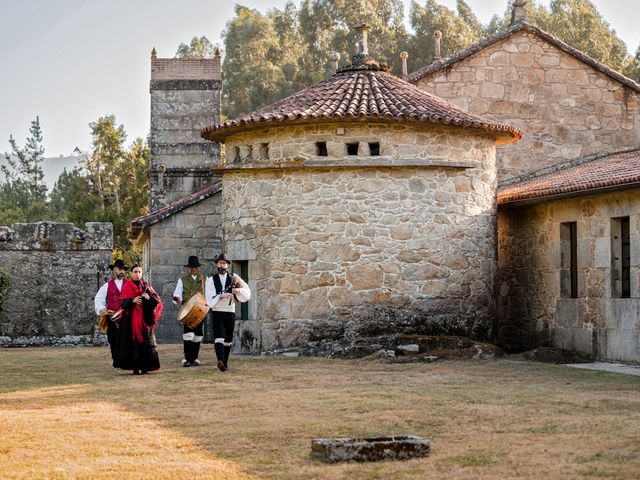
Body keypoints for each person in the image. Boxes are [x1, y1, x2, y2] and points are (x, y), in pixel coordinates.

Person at [113, 264, 163, 375]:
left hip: (144, 320)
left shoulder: (146, 285)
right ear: (131, 273)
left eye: (139, 272)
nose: (137, 274)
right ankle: (135, 367)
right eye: (135, 272)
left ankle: (145, 366)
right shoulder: (126, 286)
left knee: (145, 342)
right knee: (132, 342)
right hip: (130, 321)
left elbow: (156, 301)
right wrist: (132, 300)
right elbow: (123, 304)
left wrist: (148, 298)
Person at [205, 253, 250, 372]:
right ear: (216, 265)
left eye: (224, 263)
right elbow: (209, 299)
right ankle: (220, 360)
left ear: (227, 265)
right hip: (217, 311)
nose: (222, 265)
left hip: (230, 311)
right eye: (220, 263)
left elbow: (247, 293)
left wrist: (237, 290)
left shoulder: (234, 277)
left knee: (228, 339)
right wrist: (221, 295)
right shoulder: (210, 280)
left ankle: (224, 363)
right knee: (219, 337)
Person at [173, 255, 206, 367]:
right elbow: (177, 294)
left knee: (198, 334)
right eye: (191, 267)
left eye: (195, 267)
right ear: (188, 268)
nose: (193, 269)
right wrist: (177, 299)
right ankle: (187, 358)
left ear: (198, 267)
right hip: (187, 310)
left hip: (200, 310)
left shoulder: (204, 279)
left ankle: (195, 358)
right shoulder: (182, 279)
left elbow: (209, 294)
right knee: (188, 333)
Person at [94, 258, 129, 367]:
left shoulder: (129, 284)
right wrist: (101, 309)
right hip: (111, 316)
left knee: (126, 339)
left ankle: (126, 361)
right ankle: (116, 361)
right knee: (113, 339)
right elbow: (99, 299)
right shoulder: (107, 286)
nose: (121, 271)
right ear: (114, 270)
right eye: (119, 269)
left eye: (123, 269)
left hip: (126, 316)